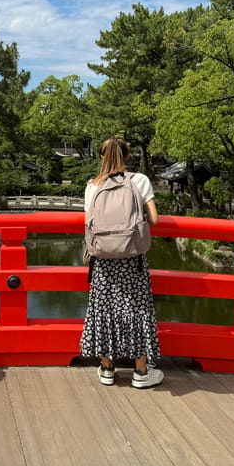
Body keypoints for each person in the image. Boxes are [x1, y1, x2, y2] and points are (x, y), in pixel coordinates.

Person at [80, 137, 164, 389]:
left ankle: (107, 368)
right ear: (127, 157)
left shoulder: (93, 186)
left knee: (103, 311)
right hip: (132, 260)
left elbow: (88, 224)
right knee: (137, 311)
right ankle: (140, 372)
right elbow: (155, 219)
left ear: (102, 157)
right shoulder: (139, 181)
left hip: (103, 261)